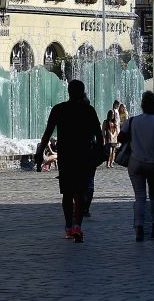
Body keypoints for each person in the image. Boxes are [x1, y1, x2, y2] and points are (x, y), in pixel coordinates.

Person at [35, 80, 103, 243]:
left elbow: (47, 132)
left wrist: (40, 151)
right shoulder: (89, 110)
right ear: (83, 92)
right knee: (80, 192)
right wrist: (99, 153)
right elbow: (99, 136)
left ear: (69, 92)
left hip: (66, 156)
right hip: (84, 156)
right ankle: (77, 226)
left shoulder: (59, 109)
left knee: (67, 193)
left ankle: (68, 226)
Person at [118, 91, 154, 242]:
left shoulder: (132, 121)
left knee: (139, 197)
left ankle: (139, 230)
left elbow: (121, 138)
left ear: (142, 105)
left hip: (136, 162)